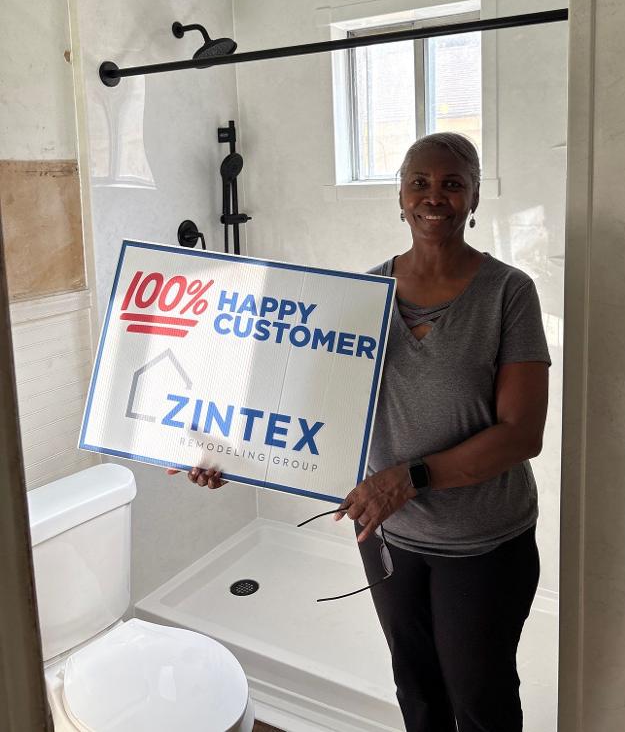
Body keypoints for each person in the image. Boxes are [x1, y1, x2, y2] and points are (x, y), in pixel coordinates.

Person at [169, 132, 550, 732]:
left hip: (481, 542)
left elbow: (522, 434)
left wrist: (409, 479)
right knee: (416, 688)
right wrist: (229, 453)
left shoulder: (508, 293)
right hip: (389, 537)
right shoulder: (360, 297)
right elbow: (308, 405)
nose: (434, 197)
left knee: (480, 698)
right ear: (400, 196)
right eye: (419, 183)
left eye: (452, 184)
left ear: (475, 196)